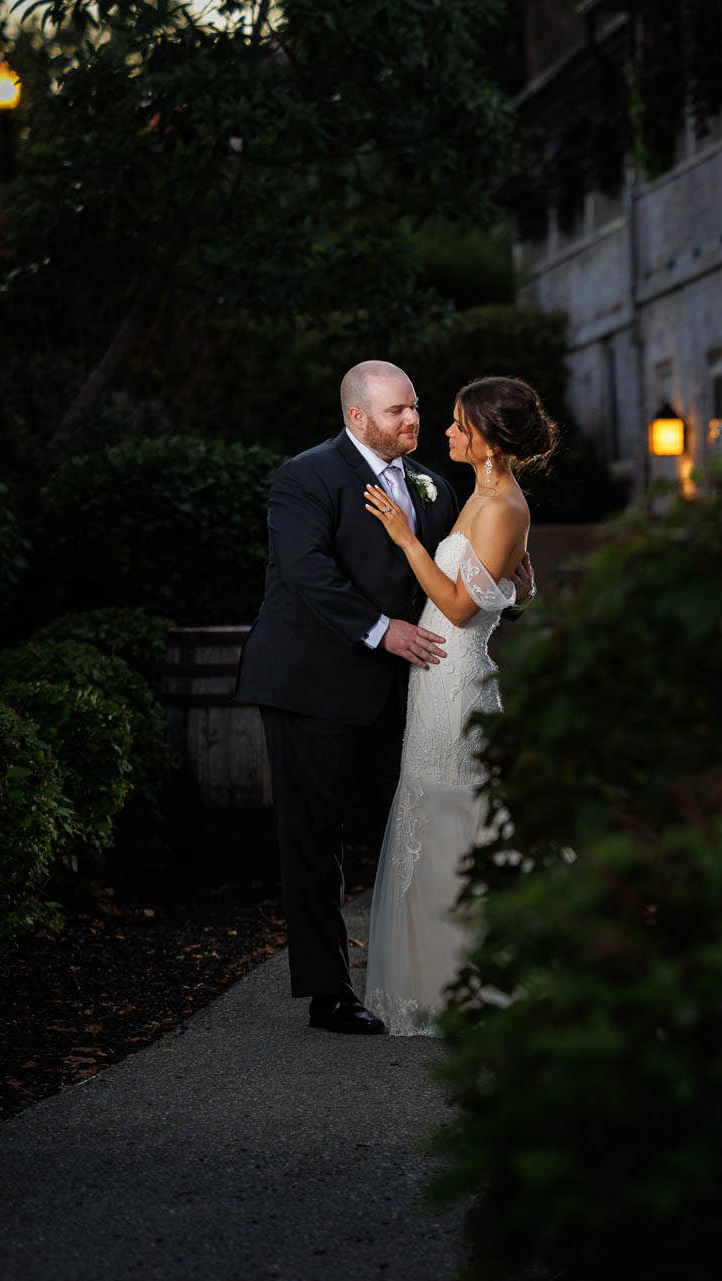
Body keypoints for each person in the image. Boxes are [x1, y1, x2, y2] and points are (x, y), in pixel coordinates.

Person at [234, 360, 532, 1035]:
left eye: (416, 407)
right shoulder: (306, 476)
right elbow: (306, 571)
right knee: (313, 841)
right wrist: (381, 630)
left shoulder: (438, 484)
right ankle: (328, 991)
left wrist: (507, 601)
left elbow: (460, 577)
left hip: (406, 687)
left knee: (406, 829)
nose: (413, 420)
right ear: (359, 417)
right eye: (398, 411)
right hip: (309, 683)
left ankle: (436, 968)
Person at [360, 375, 552, 1036]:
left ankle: (475, 980)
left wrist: (405, 537)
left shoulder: (502, 506)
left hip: (457, 677)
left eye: (457, 425)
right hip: (436, 676)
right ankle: (441, 976)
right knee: (434, 809)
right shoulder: (486, 494)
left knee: (457, 811)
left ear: (489, 439)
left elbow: (463, 605)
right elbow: (495, 588)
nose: (444, 432)